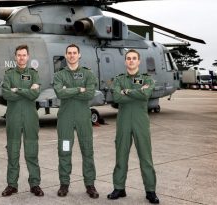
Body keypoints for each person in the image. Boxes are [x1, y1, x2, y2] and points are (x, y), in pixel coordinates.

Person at [107, 49, 160, 204]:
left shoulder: (147, 79)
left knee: (145, 156)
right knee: (121, 155)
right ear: (125, 62)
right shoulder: (118, 79)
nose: (131, 61)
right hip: (123, 121)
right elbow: (116, 97)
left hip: (140, 121)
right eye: (128, 58)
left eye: (134, 58)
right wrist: (136, 92)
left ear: (139, 61)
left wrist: (127, 91)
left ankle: (150, 191)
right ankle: (119, 188)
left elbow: (146, 95)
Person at [53, 44, 99, 198]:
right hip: (65, 120)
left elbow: (90, 94)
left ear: (79, 55)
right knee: (65, 150)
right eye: (69, 53)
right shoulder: (59, 75)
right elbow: (60, 93)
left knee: (87, 151)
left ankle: (90, 185)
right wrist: (80, 89)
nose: (72, 55)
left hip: (83, 119)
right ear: (65, 56)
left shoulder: (88, 74)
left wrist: (69, 91)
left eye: (74, 53)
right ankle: (64, 184)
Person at [0, 44, 44, 197]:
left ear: (28, 56)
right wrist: (27, 90)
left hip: (30, 117)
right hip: (13, 116)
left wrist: (17, 89)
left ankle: (35, 184)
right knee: (13, 151)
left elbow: (35, 95)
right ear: (15, 56)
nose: (21, 57)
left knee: (31, 151)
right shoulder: (9, 74)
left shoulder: (34, 74)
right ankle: (12, 185)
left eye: (24, 55)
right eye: (19, 55)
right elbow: (6, 94)